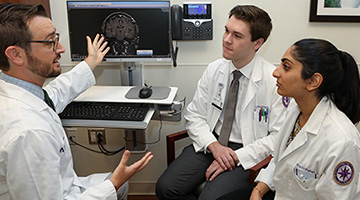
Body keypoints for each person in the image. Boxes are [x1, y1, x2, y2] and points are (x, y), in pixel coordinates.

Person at [0, 3, 153, 200]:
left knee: (118, 186)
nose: (61, 49)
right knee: (117, 186)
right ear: (16, 54)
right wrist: (112, 185)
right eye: (50, 43)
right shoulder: (29, 133)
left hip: (63, 186)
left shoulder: (14, 88)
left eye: (57, 39)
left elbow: (53, 96)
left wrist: (90, 62)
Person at [156, 5, 288, 200]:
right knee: (165, 188)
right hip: (211, 142)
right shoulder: (214, 69)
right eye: (226, 30)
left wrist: (235, 157)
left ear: (257, 43)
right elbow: (194, 115)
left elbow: (278, 137)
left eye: (237, 35)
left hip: (247, 152)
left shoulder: (273, 80)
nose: (227, 39)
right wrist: (214, 146)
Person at [246, 38, 360, 199]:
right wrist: (258, 191)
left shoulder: (342, 142)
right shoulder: (295, 109)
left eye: (286, 67)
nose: (275, 72)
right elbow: (281, 159)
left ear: (313, 81)